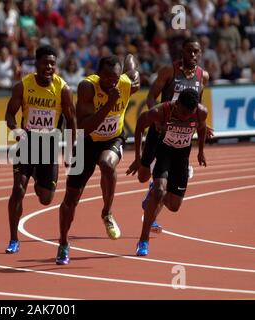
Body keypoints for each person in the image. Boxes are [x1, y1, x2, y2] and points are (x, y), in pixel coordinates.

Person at [56, 54, 140, 265]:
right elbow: (85, 126)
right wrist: (109, 104)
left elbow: (133, 70)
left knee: (106, 163)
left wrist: (130, 59)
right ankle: (64, 243)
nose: (114, 82)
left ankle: (107, 212)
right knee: (70, 199)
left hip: (113, 138)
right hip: (87, 141)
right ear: (98, 74)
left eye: (117, 77)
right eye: (109, 78)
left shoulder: (126, 82)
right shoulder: (87, 87)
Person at [4, 45, 76, 254]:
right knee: (18, 189)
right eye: (45, 63)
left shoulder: (62, 89)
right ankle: (13, 238)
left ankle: (37, 177)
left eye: (53, 63)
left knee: (46, 199)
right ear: (36, 64)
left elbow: (72, 121)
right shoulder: (23, 86)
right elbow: (9, 114)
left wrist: (71, 150)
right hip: (27, 142)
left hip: (49, 146)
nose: (49, 67)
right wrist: (15, 129)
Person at [138, 37, 210, 233]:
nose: (193, 55)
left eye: (196, 52)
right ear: (182, 52)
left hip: (179, 133)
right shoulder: (169, 71)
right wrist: (158, 119)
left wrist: (203, 124)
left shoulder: (203, 76)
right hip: (160, 128)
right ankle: (154, 187)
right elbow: (150, 96)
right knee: (143, 176)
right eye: (189, 51)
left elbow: (197, 104)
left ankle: (155, 200)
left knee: (164, 183)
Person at [127, 88, 208, 256]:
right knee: (159, 190)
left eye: (189, 114)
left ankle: (154, 193)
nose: (185, 117)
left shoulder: (200, 112)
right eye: (183, 113)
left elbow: (201, 128)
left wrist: (201, 151)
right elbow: (140, 125)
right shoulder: (160, 111)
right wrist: (137, 157)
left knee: (174, 206)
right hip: (163, 151)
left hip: (182, 156)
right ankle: (143, 240)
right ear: (176, 104)